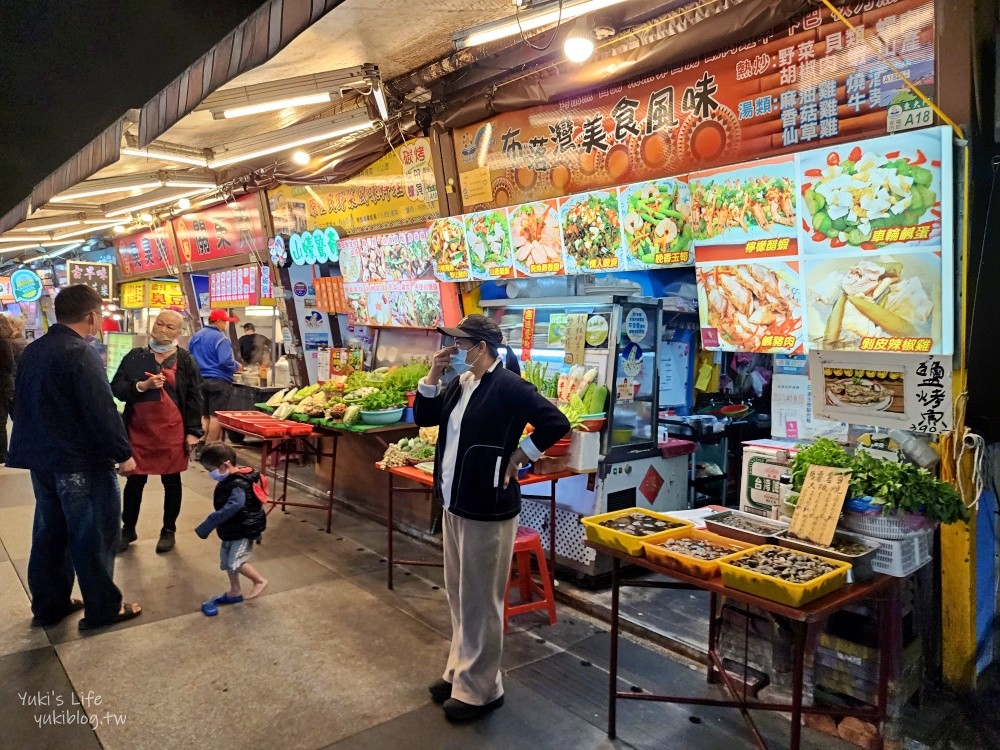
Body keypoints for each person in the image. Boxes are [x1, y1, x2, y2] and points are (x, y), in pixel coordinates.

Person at [415, 314, 569, 722]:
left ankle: (482, 689)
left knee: (482, 600)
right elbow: (425, 420)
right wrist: (433, 373)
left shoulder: (509, 386)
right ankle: (459, 671)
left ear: (480, 348)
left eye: (460, 344)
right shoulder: (460, 384)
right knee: (459, 594)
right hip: (453, 501)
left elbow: (556, 422)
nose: (455, 351)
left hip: (488, 506)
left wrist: (523, 454)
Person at [7, 284, 141, 631]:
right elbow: (101, 410)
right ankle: (102, 609)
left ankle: (50, 605)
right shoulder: (81, 353)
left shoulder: (33, 350)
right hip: (79, 462)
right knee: (93, 534)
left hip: (42, 461)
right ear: (92, 316)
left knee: (50, 533)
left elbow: (16, 400)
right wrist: (123, 453)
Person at [111, 309, 204, 555]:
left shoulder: (185, 360)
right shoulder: (135, 356)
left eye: (169, 327)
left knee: (171, 481)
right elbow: (116, 388)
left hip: (173, 431)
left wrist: (193, 432)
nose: (162, 329)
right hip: (139, 429)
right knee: (135, 480)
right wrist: (141, 386)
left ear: (179, 332)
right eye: (159, 323)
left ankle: (168, 530)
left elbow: (195, 397)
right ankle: (128, 528)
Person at [194, 443, 268, 615]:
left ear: (225, 465)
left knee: (236, 562)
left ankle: (259, 581)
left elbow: (235, 506)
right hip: (231, 528)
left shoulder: (238, 484)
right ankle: (235, 590)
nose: (210, 474)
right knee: (227, 561)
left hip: (243, 530)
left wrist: (209, 523)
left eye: (210, 470)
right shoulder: (230, 480)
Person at [189, 309, 240, 445]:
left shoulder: (196, 336)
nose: (226, 325)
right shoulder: (221, 338)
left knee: (204, 415)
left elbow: (189, 357)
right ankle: (212, 447)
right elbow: (225, 361)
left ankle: (199, 445)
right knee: (215, 416)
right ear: (218, 322)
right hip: (218, 381)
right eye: (225, 322)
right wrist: (237, 366)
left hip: (199, 381)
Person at [0, 317, 13, 464]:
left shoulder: (3, 342)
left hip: (3, 388)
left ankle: (2, 454)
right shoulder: (4, 342)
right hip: (5, 387)